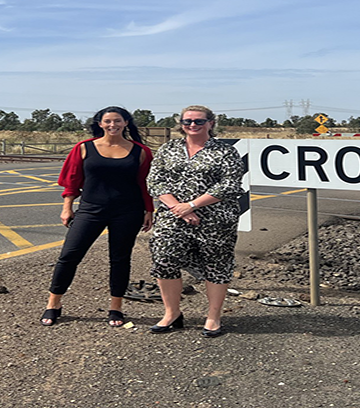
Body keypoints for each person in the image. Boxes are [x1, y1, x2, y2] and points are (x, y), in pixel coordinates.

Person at [41, 106, 154, 327]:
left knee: (120, 259)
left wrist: (149, 210)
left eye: (118, 121)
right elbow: (72, 180)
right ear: (100, 124)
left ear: (126, 123)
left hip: (128, 211)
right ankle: (53, 304)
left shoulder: (140, 151)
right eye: (108, 121)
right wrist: (67, 207)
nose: (113, 125)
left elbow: (145, 184)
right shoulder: (83, 148)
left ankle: (116, 308)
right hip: (91, 209)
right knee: (69, 255)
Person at [146, 105, 246, 338]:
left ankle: (213, 317)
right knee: (164, 260)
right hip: (173, 217)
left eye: (199, 121)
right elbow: (155, 180)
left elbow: (229, 184)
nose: (192, 125)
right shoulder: (168, 149)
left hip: (215, 219)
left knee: (216, 264)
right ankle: (171, 313)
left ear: (211, 123)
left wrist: (192, 205)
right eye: (187, 121)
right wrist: (178, 208)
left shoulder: (225, 151)